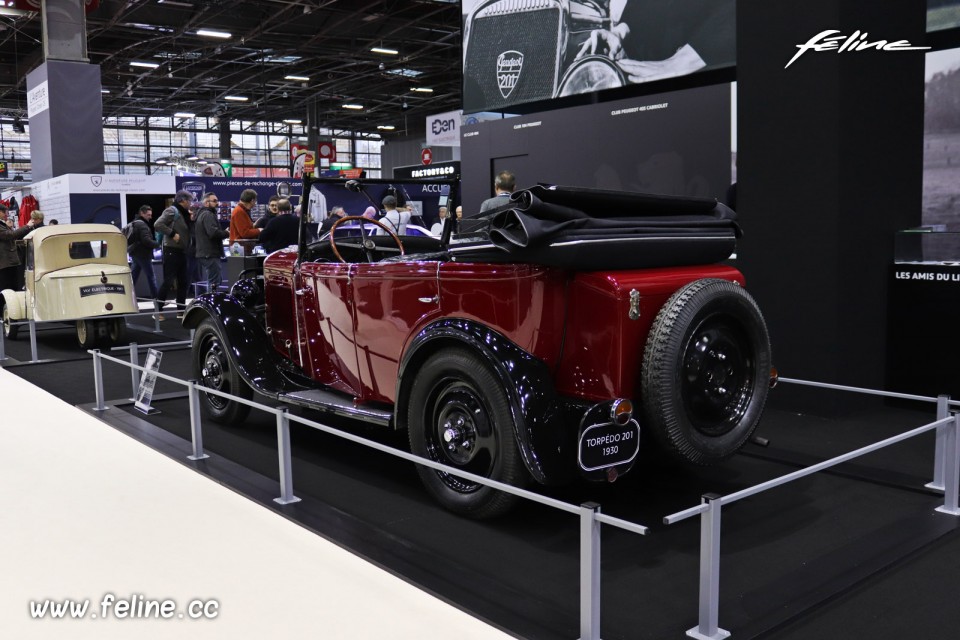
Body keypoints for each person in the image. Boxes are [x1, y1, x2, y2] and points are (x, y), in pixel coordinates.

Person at [154, 190, 194, 317]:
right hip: (171, 251)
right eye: (190, 200)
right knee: (168, 281)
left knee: (183, 282)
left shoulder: (185, 213)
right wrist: (172, 234)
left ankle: (180, 311)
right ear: (183, 200)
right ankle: (158, 311)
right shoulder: (172, 210)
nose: (191, 203)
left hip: (182, 251)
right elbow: (158, 224)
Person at [0, 203, 34, 312]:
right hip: (5, 264)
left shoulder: (2, 224)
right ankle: (6, 312)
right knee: (7, 290)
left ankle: (9, 312)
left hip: (8, 263)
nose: (6, 214)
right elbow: (10, 235)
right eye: (4, 212)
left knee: (11, 288)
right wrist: (27, 226)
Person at [194, 192, 230, 292]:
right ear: (206, 203)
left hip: (206, 253)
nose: (217, 203)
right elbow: (213, 233)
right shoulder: (208, 215)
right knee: (214, 282)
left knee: (214, 280)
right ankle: (211, 304)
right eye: (214, 201)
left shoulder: (203, 214)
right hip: (209, 253)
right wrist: (226, 233)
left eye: (217, 200)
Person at [127, 205, 160, 300]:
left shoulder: (135, 222)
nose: (150, 217)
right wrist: (157, 244)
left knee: (133, 277)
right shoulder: (142, 225)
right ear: (142, 213)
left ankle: (127, 296)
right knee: (151, 277)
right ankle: (157, 300)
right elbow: (146, 240)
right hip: (143, 255)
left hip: (135, 253)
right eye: (148, 215)